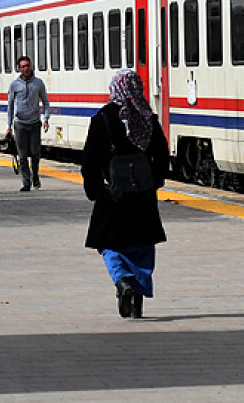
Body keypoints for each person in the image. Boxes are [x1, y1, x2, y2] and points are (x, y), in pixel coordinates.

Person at [81, 69, 169, 319]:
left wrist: (93, 189)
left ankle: (121, 281)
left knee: (109, 244)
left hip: (112, 195)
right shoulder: (147, 118)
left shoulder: (103, 118)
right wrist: (154, 182)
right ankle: (137, 298)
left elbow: (89, 160)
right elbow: (162, 155)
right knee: (142, 247)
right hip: (143, 196)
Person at [6, 55, 50, 192]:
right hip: (20, 124)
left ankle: (35, 175)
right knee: (23, 155)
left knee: (35, 153)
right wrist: (9, 126)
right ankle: (26, 182)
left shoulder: (38, 83)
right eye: (23, 66)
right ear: (19, 69)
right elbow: (10, 106)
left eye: (28, 66)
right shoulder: (14, 85)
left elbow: (46, 102)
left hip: (35, 123)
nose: (26, 69)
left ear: (31, 67)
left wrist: (46, 119)